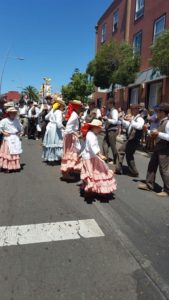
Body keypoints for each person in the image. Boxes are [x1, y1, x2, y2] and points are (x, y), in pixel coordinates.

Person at [138, 102, 169, 197]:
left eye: (158, 111)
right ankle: (149, 184)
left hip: (165, 148)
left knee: (164, 169)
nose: (156, 113)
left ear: (163, 112)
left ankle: (167, 190)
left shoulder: (167, 122)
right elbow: (155, 132)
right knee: (152, 165)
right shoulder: (161, 121)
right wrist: (146, 130)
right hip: (158, 146)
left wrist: (158, 134)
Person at [80, 119, 117, 198]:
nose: (100, 130)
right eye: (99, 128)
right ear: (95, 128)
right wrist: (99, 155)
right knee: (98, 173)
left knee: (93, 173)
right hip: (91, 158)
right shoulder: (91, 136)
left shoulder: (89, 134)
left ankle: (92, 189)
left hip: (89, 157)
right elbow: (92, 146)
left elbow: (86, 145)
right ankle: (93, 190)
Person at [116, 104, 145, 177]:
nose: (131, 111)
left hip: (134, 140)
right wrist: (122, 120)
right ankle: (133, 172)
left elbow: (139, 126)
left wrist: (131, 121)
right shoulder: (135, 118)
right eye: (131, 109)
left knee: (122, 152)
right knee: (128, 154)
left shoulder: (140, 119)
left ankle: (119, 169)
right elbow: (129, 125)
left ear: (137, 110)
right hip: (130, 139)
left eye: (133, 109)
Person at [61, 100, 83, 181]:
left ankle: (70, 169)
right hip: (70, 137)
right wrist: (76, 134)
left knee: (73, 153)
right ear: (77, 107)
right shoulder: (74, 115)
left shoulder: (74, 115)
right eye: (80, 107)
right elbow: (68, 128)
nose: (81, 109)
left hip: (71, 136)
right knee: (70, 153)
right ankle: (66, 172)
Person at [42, 98, 65, 163]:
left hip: (50, 127)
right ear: (60, 106)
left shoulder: (53, 110)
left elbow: (46, 117)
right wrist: (64, 128)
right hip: (55, 128)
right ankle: (56, 157)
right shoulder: (59, 112)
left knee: (50, 142)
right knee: (57, 142)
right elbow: (58, 123)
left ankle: (50, 157)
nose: (63, 108)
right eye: (62, 106)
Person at [0, 107, 23, 173]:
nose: (13, 114)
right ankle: (6, 167)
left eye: (14, 113)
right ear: (9, 113)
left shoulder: (16, 120)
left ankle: (14, 166)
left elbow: (20, 128)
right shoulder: (4, 120)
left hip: (15, 137)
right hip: (7, 138)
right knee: (8, 152)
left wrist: (19, 133)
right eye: (12, 113)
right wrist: (4, 132)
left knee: (15, 152)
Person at [102, 99, 119, 165]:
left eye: (108, 104)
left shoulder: (114, 111)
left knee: (113, 146)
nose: (107, 105)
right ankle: (105, 158)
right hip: (108, 130)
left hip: (112, 130)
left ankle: (116, 161)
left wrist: (107, 119)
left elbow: (115, 121)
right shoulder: (109, 111)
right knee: (104, 144)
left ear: (111, 104)